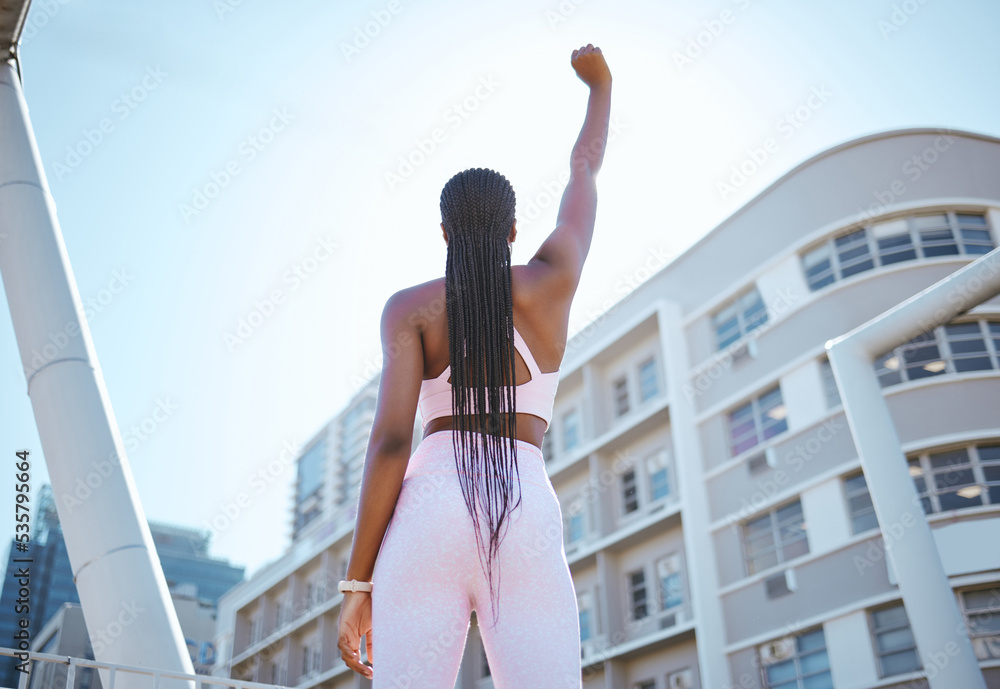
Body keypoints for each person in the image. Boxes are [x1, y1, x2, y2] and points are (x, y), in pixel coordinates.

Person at [336, 43, 612, 688]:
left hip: (426, 512)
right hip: (523, 508)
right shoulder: (554, 280)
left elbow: (390, 445)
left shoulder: (410, 309)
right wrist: (600, 87)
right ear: (515, 229)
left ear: (443, 232)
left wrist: (357, 583)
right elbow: (584, 173)